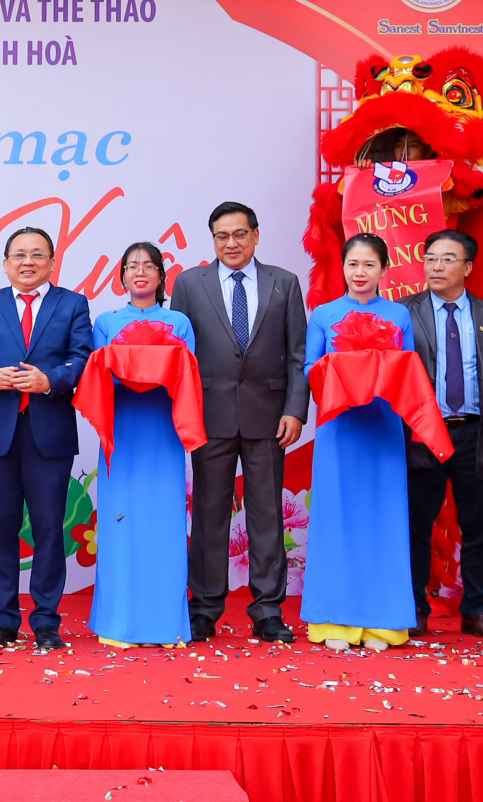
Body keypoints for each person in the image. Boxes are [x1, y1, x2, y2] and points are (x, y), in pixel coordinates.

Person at [168, 202, 307, 644]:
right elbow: (181, 357)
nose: (231, 243)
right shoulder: (190, 284)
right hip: (210, 416)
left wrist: (295, 409)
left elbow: (298, 354)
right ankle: (204, 608)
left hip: (269, 416)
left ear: (256, 235)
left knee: (267, 514)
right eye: (221, 236)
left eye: (239, 234)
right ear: (212, 239)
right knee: (209, 515)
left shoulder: (284, 283)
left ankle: (268, 610)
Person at [0, 226, 94, 651]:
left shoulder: (72, 304)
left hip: (49, 432)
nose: (28, 262)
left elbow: (83, 357)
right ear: (6, 263)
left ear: (52, 262)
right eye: (19, 255)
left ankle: (47, 622)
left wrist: (49, 380)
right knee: (0, 529)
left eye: (38, 254)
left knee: (50, 529)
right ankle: (2, 621)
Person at [299, 234, 419, 651]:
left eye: (369, 265)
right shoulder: (324, 315)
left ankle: (383, 623)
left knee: (382, 520)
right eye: (353, 264)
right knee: (337, 520)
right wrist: (347, 370)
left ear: (384, 270)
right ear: (343, 269)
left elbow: (410, 370)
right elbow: (311, 369)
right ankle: (336, 622)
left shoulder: (399, 315)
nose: (360, 273)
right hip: (339, 427)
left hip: (383, 428)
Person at [401, 229, 483, 641]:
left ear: (467, 267)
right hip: (422, 433)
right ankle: (414, 607)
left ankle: (477, 610)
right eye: (430, 258)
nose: (436, 266)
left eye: (448, 259)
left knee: (480, 527)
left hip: (477, 434)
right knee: (416, 525)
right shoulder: (402, 312)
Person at [88, 242, 196, 649]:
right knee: (121, 524)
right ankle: (120, 621)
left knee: (164, 523)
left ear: (161, 276)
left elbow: (187, 375)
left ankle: (167, 623)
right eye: (132, 265)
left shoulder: (179, 321)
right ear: (121, 276)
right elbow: (97, 373)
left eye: (149, 266)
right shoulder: (107, 321)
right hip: (121, 432)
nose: (140, 272)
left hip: (163, 430)